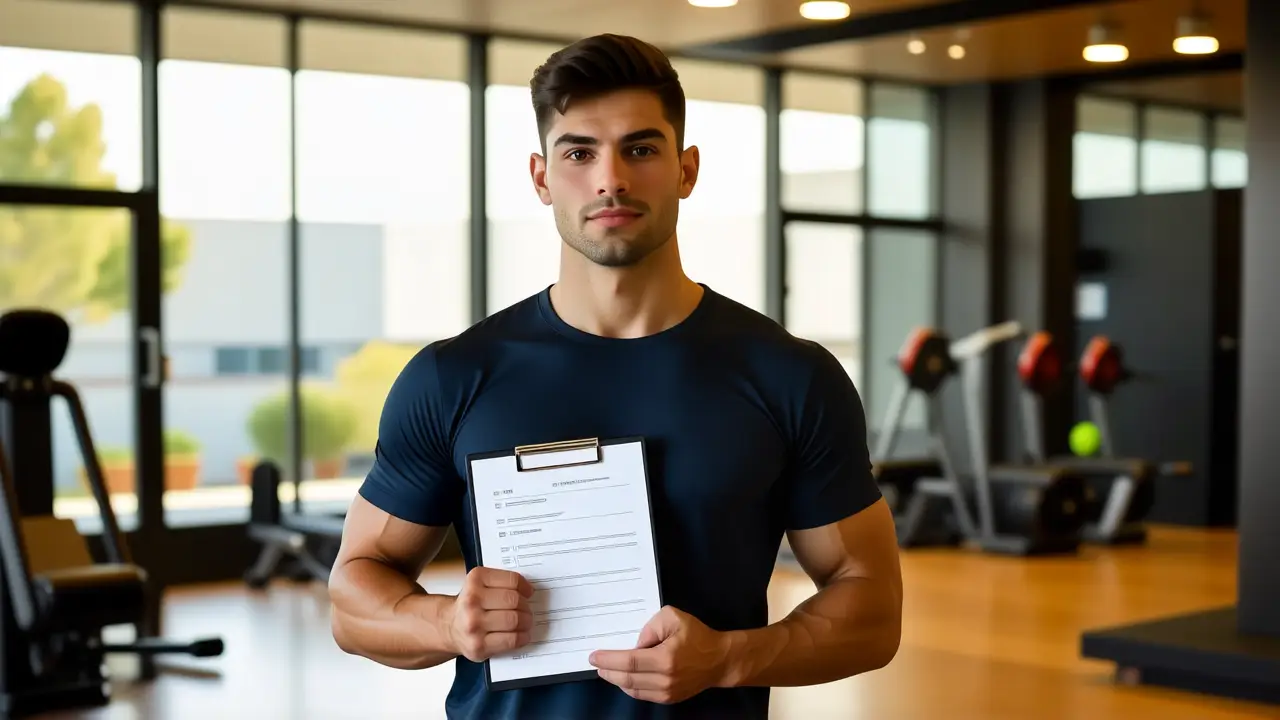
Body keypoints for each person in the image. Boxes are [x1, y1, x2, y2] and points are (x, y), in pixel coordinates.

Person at [328, 33, 903, 719]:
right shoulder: (454, 377)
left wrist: (729, 658)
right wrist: (449, 623)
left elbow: (871, 604)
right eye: (579, 152)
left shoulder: (789, 376)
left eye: (640, 148)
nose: (610, 179)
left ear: (685, 169)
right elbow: (353, 599)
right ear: (541, 177)